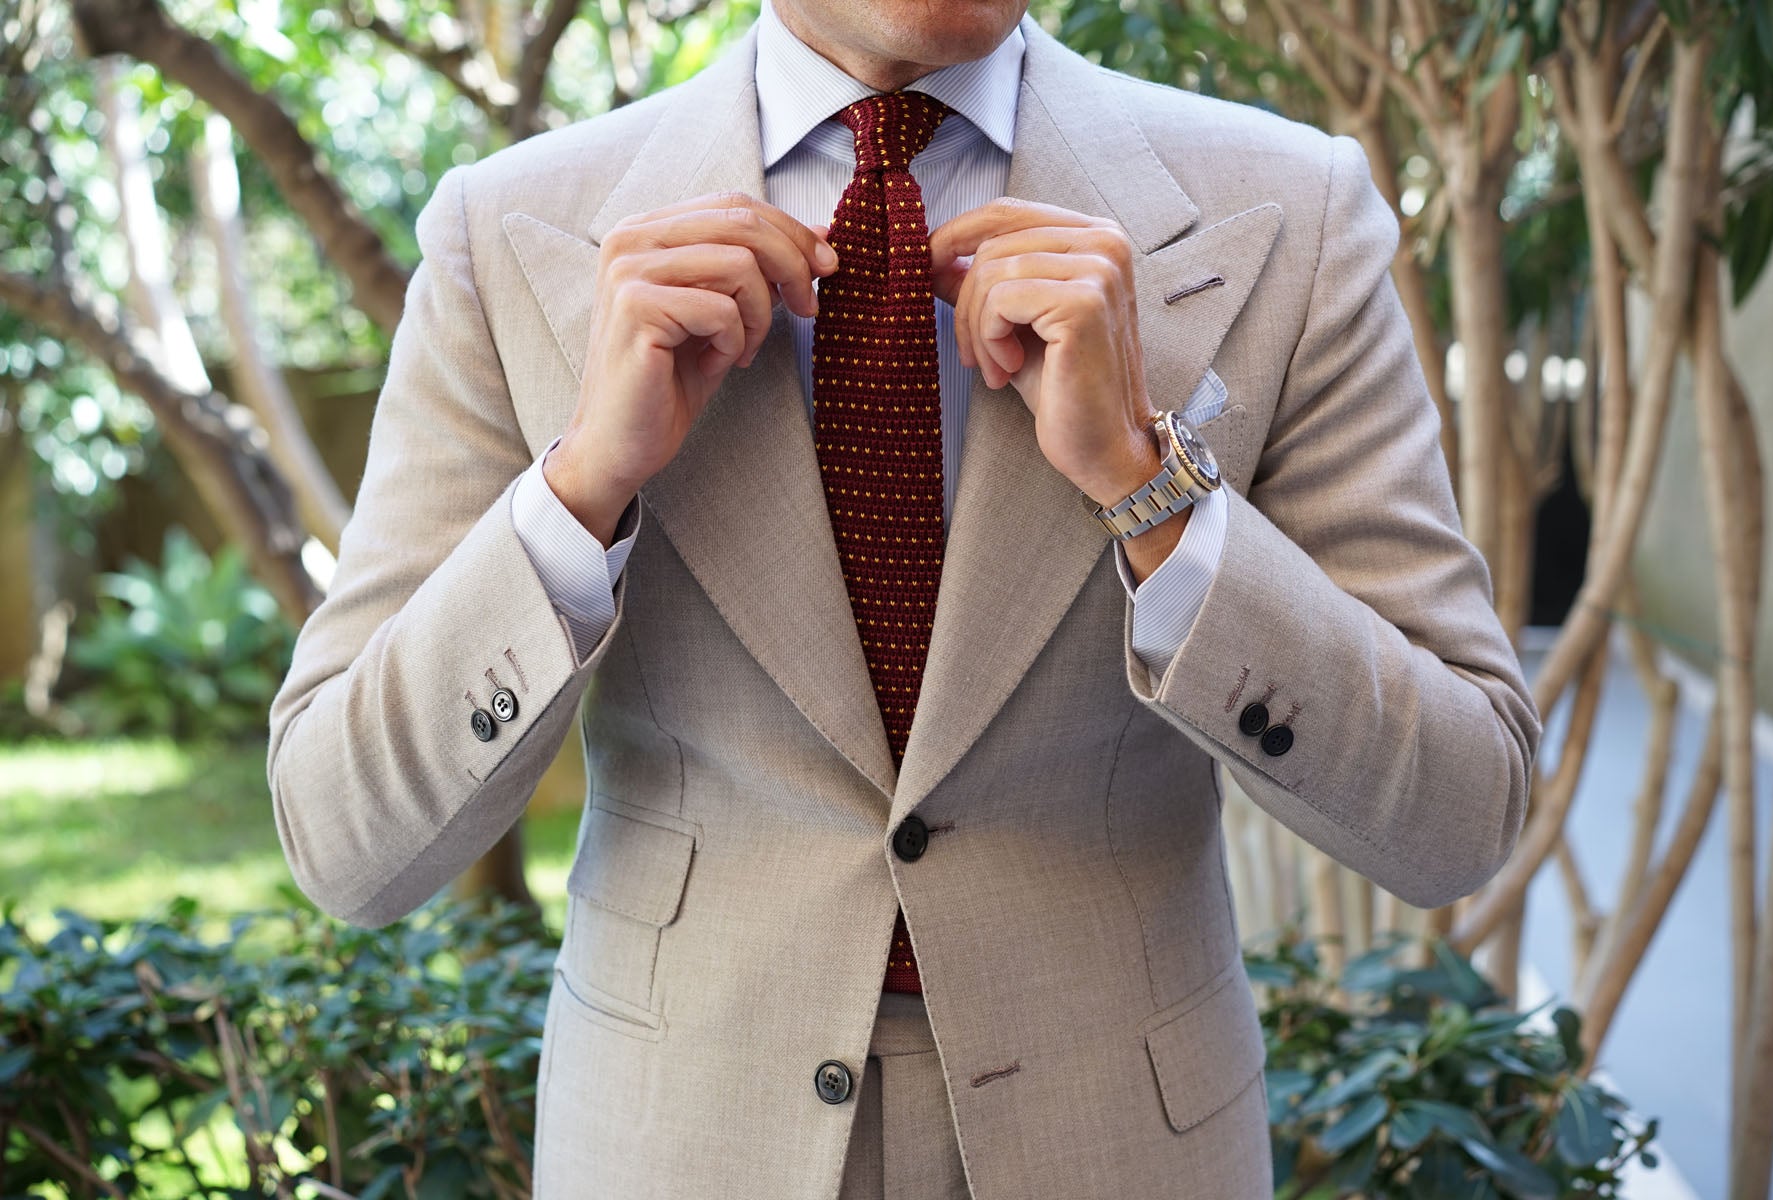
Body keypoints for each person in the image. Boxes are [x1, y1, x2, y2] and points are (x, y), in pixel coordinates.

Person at [267, 0, 1543, 1195]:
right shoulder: (513, 234)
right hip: (681, 1146)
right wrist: (582, 488)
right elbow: (344, 840)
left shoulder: (1286, 210)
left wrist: (1154, 494)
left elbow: (1458, 810)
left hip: (1119, 1149)